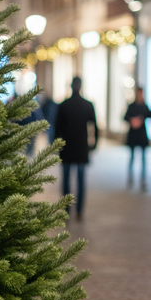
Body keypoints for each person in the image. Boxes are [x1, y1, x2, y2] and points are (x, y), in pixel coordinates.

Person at [54, 76, 98, 221]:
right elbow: (94, 126)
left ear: (71, 86)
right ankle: (79, 211)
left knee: (66, 180)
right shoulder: (87, 105)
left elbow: (57, 128)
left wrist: (57, 145)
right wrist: (94, 144)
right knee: (80, 180)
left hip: (67, 148)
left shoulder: (64, 105)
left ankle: (67, 209)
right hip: (81, 148)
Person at [124, 87, 151, 190]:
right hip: (133, 135)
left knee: (143, 158)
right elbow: (125, 117)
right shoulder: (132, 106)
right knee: (132, 157)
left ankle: (143, 179)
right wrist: (132, 120)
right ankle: (130, 177)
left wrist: (141, 119)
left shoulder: (145, 106)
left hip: (142, 136)